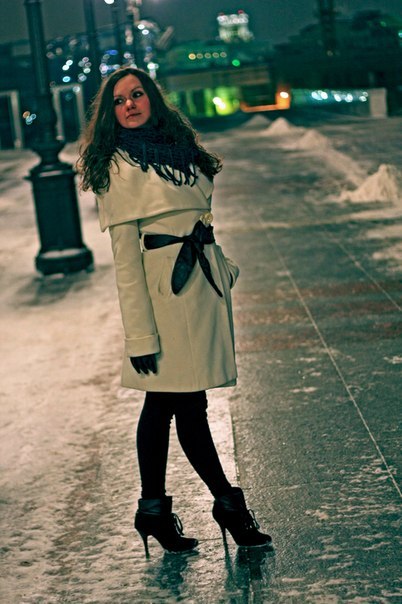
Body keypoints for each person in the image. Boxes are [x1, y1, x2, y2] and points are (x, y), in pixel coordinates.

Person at [78, 67, 271, 556]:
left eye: (137, 94)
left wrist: (222, 266)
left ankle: (155, 510)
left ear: (153, 99)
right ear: (111, 113)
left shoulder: (182, 153)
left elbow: (201, 221)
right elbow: (127, 264)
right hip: (165, 302)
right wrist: (140, 336)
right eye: (119, 100)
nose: (130, 104)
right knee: (184, 404)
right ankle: (226, 506)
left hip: (200, 289)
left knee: (166, 404)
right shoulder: (117, 167)